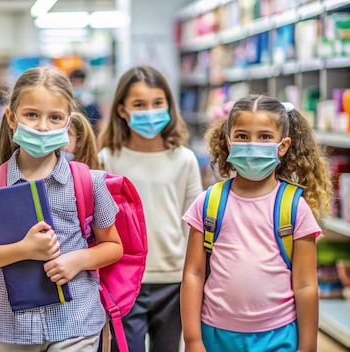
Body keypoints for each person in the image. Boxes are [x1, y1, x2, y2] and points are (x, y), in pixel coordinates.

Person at [0, 67, 123, 352]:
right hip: (13, 328)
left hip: (77, 322)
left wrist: (77, 260)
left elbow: (113, 246)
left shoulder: (89, 182)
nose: (43, 127)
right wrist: (24, 250)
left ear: (67, 123)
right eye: (31, 115)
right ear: (11, 117)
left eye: (54, 117)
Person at [181, 95, 332, 352]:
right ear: (228, 143)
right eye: (242, 136)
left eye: (264, 137)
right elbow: (193, 273)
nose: (253, 144)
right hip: (215, 333)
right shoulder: (209, 202)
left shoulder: (295, 208)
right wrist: (193, 339)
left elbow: (306, 285)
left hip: (279, 335)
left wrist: (308, 346)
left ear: (282, 146)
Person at [98, 65, 202, 352]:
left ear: (169, 106)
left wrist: (195, 276)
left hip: (173, 279)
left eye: (158, 103)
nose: (150, 111)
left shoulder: (184, 160)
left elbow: (194, 225)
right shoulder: (107, 159)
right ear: (122, 110)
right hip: (123, 279)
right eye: (139, 105)